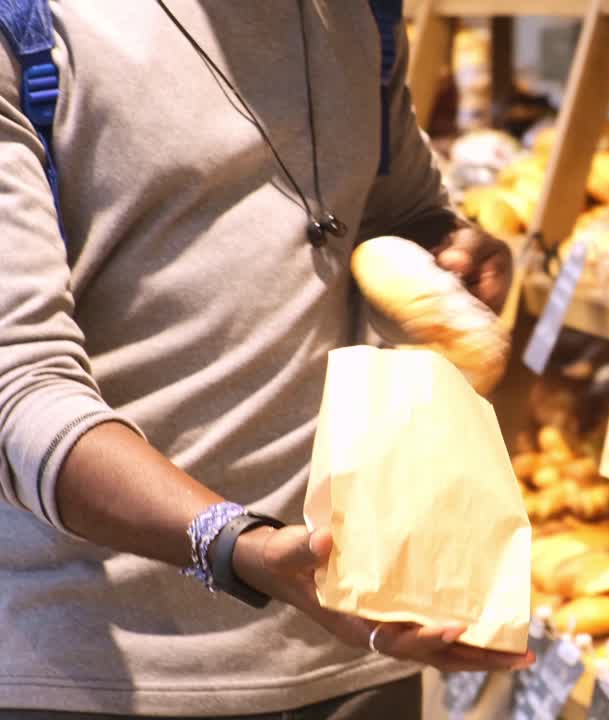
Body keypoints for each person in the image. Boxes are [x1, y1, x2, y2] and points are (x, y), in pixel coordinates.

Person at [0, 2, 529, 718]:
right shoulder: (28, 27)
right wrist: (234, 546)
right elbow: (19, 386)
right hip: (100, 674)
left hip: (362, 641)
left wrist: (450, 252)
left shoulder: (357, 15)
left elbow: (394, 209)